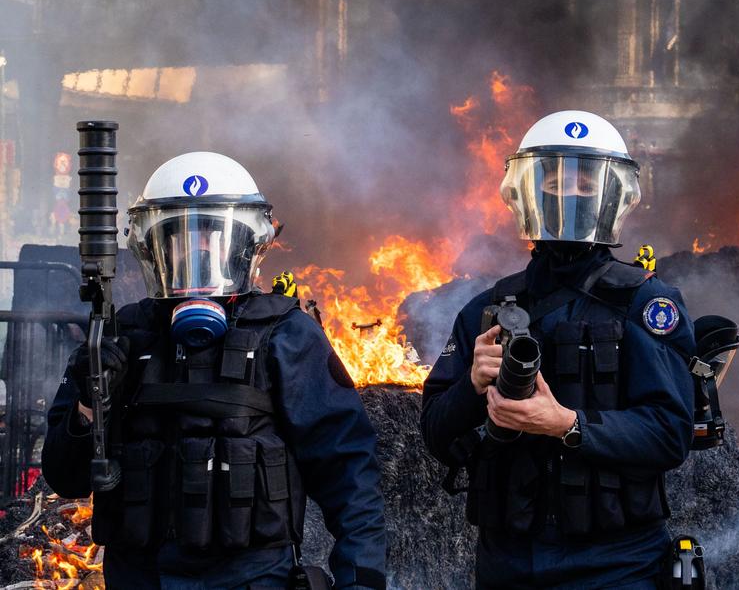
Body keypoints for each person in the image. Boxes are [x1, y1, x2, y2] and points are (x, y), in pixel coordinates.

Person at [42, 152, 388, 589]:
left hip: (252, 579)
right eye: (180, 236)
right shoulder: (118, 337)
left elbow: (347, 469)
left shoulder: (285, 335)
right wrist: (89, 404)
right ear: (155, 248)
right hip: (141, 578)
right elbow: (65, 477)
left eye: (212, 234)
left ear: (245, 245)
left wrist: (361, 577)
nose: (198, 250)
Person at [421, 110, 695, 589]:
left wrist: (567, 425)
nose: (570, 194)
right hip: (508, 563)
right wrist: (471, 386)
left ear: (613, 194)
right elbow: (437, 438)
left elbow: (670, 433)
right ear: (526, 191)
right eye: (554, 180)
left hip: (616, 565)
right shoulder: (486, 310)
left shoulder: (647, 303)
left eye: (586, 182)